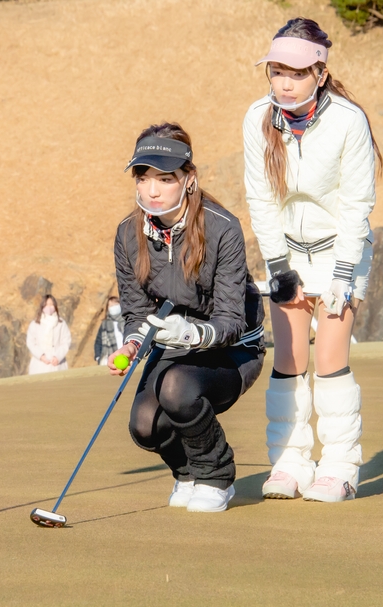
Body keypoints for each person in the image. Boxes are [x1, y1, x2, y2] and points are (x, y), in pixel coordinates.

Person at [243, 17, 382, 502]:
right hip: (288, 254)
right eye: (277, 71)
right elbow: (261, 201)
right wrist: (279, 268)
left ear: (320, 74)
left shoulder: (348, 119)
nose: (285, 83)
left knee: (328, 360)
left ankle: (340, 467)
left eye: (297, 73)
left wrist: (342, 275)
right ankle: (290, 463)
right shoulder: (257, 117)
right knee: (289, 359)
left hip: (342, 251)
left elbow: (357, 205)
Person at [107, 123, 266, 513]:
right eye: (143, 178)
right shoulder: (127, 234)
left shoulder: (222, 228)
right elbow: (137, 311)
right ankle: (188, 473)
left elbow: (232, 321)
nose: (152, 190)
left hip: (232, 350)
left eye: (165, 179)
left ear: (189, 178)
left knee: (176, 389)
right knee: (145, 426)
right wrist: (132, 344)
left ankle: (216, 476)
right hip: (172, 346)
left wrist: (190, 333)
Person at [26, 295, 73, 375]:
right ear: (42, 306)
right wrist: (41, 356)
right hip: (39, 366)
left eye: (51, 304)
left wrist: (58, 357)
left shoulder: (61, 323)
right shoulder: (35, 324)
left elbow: (66, 341)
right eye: (46, 305)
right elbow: (31, 343)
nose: (49, 307)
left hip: (58, 366)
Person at [93, 296, 125, 366]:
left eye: (115, 304)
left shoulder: (127, 320)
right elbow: (98, 341)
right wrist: (98, 357)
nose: (114, 307)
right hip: (109, 358)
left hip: (126, 353)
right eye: (111, 305)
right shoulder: (104, 324)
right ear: (108, 308)